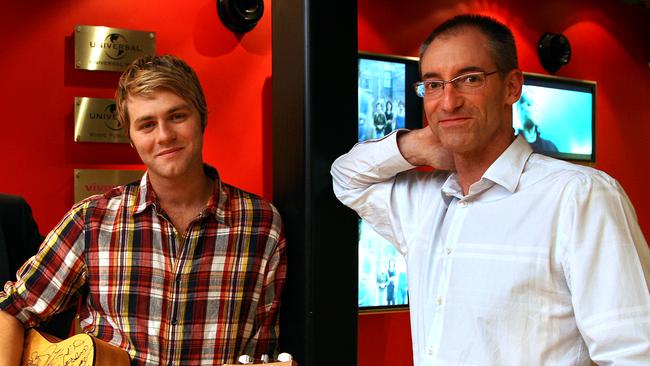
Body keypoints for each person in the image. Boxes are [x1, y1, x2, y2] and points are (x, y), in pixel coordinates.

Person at [331, 14, 650, 365]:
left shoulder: (578, 196)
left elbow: (634, 354)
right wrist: (420, 144)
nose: (449, 102)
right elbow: (346, 177)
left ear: (512, 88)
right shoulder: (424, 204)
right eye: (434, 85)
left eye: (470, 79)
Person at [0, 55, 287, 365]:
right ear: (131, 139)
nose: (164, 136)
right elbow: (12, 310)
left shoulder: (262, 225)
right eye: (147, 124)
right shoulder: (91, 220)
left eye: (177, 116)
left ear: (202, 117)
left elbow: (263, 348)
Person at [515, 88, 558, 153]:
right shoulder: (511, 148)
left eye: (536, 106)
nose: (535, 109)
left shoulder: (550, 147)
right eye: (529, 104)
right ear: (519, 109)